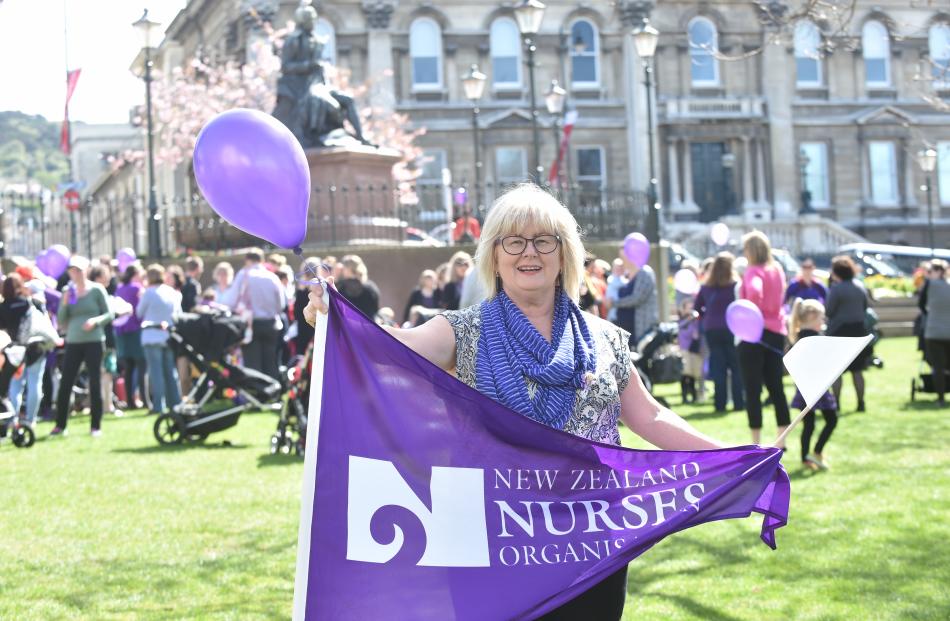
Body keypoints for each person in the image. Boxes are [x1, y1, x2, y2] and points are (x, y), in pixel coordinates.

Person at [303, 183, 726, 620]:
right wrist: (337, 319)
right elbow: (394, 346)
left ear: (564, 255)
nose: (530, 252)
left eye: (544, 240)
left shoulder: (604, 340)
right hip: (491, 542)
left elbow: (650, 415)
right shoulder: (462, 330)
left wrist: (731, 455)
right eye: (514, 241)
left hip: (591, 542)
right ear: (494, 257)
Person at [736, 232, 790, 448]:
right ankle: (781, 440)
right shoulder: (777, 270)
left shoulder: (752, 272)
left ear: (750, 250)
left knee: (752, 388)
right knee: (777, 386)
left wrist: (752, 305)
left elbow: (756, 292)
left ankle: (755, 441)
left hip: (754, 334)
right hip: (777, 332)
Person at [52, 256, 114, 437]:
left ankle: (96, 426)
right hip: (73, 341)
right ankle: (60, 425)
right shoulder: (67, 291)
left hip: (94, 341)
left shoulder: (96, 290)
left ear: (85, 271)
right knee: (66, 383)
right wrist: (64, 303)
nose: (75, 274)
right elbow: (62, 319)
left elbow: (109, 314)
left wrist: (95, 321)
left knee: (94, 382)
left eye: (78, 270)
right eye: (72, 271)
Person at [788, 298, 838, 470]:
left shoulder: (799, 338)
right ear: (810, 317)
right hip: (816, 387)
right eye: (820, 319)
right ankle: (816, 452)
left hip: (805, 387)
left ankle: (806, 458)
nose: (823, 322)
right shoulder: (814, 339)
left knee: (808, 424)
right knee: (831, 419)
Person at [694, 252, 744, 413]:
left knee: (718, 367)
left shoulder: (706, 287)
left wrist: (707, 315)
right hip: (732, 328)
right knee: (736, 367)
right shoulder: (735, 286)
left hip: (712, 329)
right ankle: (738, 403)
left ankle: (719, 404)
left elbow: (697, 308)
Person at [0, 272, 51, 429]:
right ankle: (30, 420)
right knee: (35, 382)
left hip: (14, 351)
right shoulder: (30, 303)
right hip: (35, 347)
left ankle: (12, 421)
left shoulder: (3, 307)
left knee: (15, 386)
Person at [229, 248, 287, 381]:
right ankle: (273, 392)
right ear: (262, 260)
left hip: (251, 324)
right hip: (271, 324)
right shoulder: (272, 277)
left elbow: (231, 300)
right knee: (270, 361)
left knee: (253, 363)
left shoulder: (244, 274)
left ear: (247, 260)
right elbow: (281, 305)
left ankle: (258, 394)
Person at [825, 255, 870, 412]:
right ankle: (861, 403)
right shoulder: (860, 287)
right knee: (858, 371)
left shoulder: (836, 289)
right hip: (858, 331)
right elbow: (865, 307)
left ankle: (837, 403)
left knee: (837, 372)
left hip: (839, 332)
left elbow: (829, 311)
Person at [137, 264, 182, 414]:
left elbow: (139, 313)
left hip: (151, 336)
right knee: (170, 372)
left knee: (156, 373)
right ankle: (175, 403)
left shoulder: (148, 293)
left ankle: (158, 405)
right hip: (168, 336)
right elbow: (178, 314)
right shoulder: (171, 292)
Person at [90, 265, 123, 418]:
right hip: (103, 339)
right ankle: (106, 405)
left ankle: (104, 404)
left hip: (101, 338)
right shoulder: (99, 295)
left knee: (103, 372)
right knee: (106, 373)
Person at [115, 264, 146, 409]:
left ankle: (130, 401)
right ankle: (145, 400)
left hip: (121, 332)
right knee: (141, 366)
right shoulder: (137, 289)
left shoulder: (119, 288)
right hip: (135, 330)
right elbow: (141, 310)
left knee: (128, 368)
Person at [614, 251, 658, 346]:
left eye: (623, 257)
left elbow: (637, 298)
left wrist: (614, 303)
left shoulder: (645, 273)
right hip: (626, 328)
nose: (622, 261)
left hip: (640, 327)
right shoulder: (626, 275)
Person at [923, 259, 950, 406]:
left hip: (934, 332)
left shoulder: (930, 284)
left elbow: (921, 305)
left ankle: (940, 398)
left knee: (938, 367)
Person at [336, 255, 380, 320]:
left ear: (348, 269)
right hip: (369, 325)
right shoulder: (371, 286)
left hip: (348, 326)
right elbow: (375, 309)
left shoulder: (341, 286)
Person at [677, 298, 703, 404]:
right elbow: (683, 332)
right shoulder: (683, 321)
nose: (691, 310)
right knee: (685, 373)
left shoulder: (696, 321)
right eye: (688, 308)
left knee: (693, 373)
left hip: (694, 349)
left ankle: (694, 396)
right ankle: (684, 396)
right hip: (685, 349)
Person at [604, 258, 627, 324]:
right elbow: (608, 302)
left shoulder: (624, 280)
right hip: (614, 314)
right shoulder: (611, 280)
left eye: (620, 268)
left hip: (623, 313)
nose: (618, 270)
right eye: (617, 268)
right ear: (613, 268)